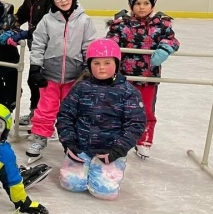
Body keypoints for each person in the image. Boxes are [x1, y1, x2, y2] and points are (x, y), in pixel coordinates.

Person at [56, 39, 146, 200]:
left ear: (117, 64)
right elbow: (65, 115)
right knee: (71, 184)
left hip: (109, 151)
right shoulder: (81, 88)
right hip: (80, 149)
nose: (101, 67)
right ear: (89, 65)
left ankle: (105, 168)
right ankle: (83, 166)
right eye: (96, 63)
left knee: (104, 192)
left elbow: (135, 124)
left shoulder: (128, 92)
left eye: (107, 63)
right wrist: (69, 142)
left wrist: (117, 151)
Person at [27, 0, 98, 162]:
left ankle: (71, 141)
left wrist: (89, 69)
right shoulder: (47, 21)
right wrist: (35, 67)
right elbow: (38, 44)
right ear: (52, 0)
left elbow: (89, 46)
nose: (63, 0)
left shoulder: (85, 21)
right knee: (46, 108)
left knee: (72, 111)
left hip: (74, 77)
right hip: (49, 75)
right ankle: (40, 138)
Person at [106, 0, 179, 160]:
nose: (142, 7)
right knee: (120, 109)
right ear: (131, 5)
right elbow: (110, 40)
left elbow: (172, 40)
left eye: (146, 3)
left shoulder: (161, 24)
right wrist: (110, 52)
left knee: (146, 110)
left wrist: (165, 49)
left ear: (153, 5)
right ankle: (118, 139)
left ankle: (144, 141)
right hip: (124, 77)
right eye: (137, 3)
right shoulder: (122, 24)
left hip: (148, 78)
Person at [14, 0, 55, 125]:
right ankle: (34, 112)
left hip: (50, 51)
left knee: (46, 85)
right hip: (35, 50)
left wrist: (25, 34)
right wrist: (9, 26)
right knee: (33, 80)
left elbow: (45, 27)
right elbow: (19, 17)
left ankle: (45, 117)